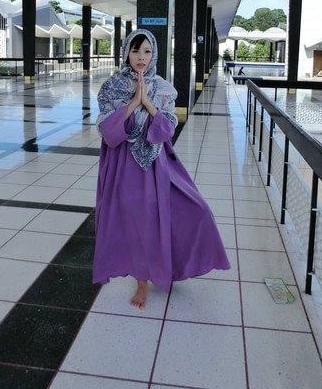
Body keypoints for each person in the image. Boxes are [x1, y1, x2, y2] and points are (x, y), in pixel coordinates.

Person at [93, 29, 230, 308]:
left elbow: (166, 130)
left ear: (154, 54)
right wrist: (133, 103)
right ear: (126, 53)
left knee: (195, 210)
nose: (141, 57)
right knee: (137, 221)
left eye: (147, 51)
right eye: (135, 51)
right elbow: (108, 133)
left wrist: (148, 103)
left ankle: (169, 267)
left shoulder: (163, 88)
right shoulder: (111, 87)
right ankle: (142, 281)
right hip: (123, 165)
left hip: (157, 164)